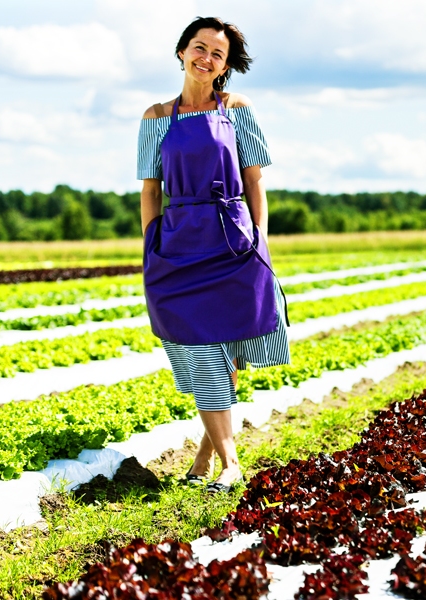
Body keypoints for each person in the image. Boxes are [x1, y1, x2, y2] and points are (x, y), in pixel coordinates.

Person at [137, 16, 290, 493]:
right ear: (182, 52)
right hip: (179, 244)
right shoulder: (156, 117)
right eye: (199, 48)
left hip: (231, 240)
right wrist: (152, 246)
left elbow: (254, 182)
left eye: (217, 54)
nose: (206, 58)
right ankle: (231, 461)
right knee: (197, 348)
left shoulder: (237, 108)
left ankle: (211, 459)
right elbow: (150, 189)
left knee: (227, 352)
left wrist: (259, 238)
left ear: (225, 67)